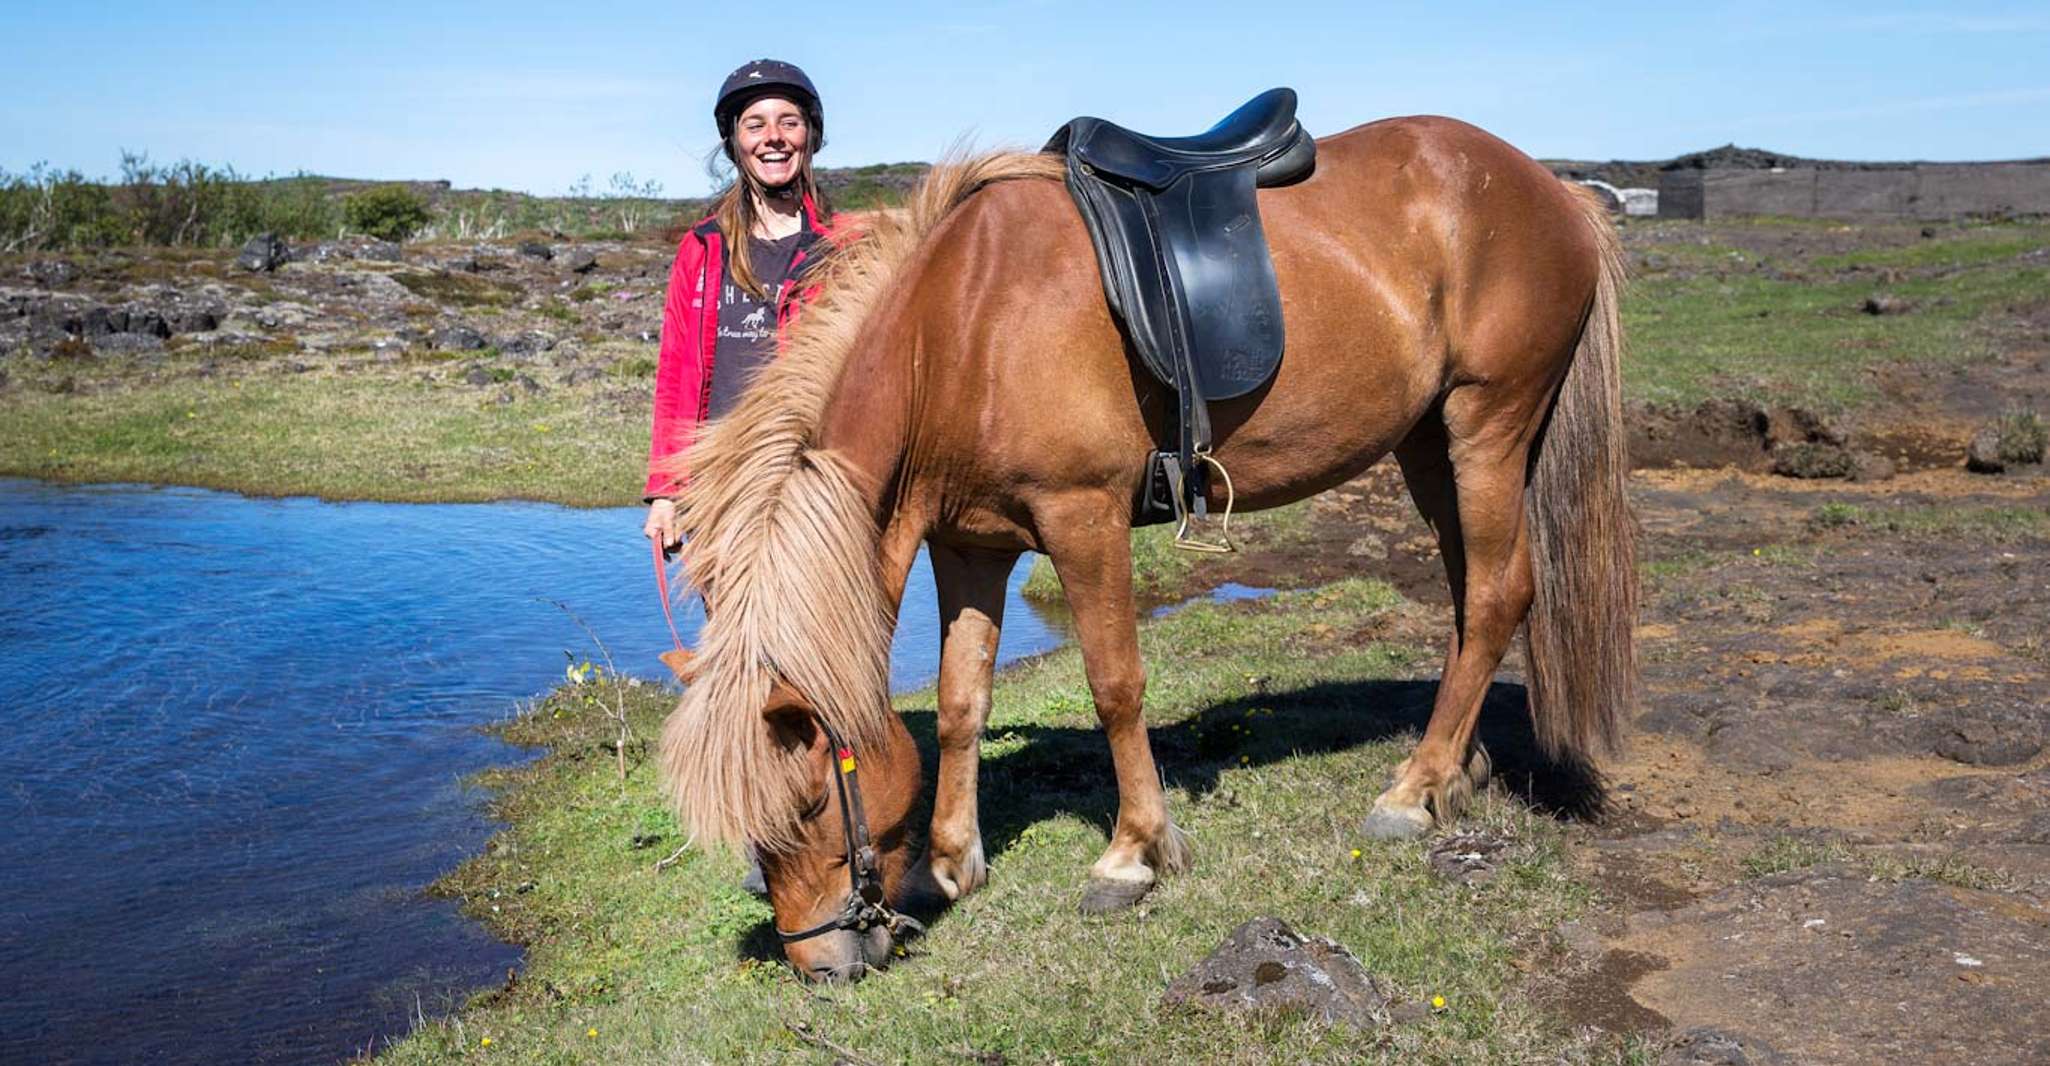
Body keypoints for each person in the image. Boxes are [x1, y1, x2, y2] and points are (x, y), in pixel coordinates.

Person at [642, 58, 839, 550]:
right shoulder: (702, 248)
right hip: (721, 481)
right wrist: (667, 492)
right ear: (735, 143)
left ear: (810, 137)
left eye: (788, 122)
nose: (773, 137)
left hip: (813, 486)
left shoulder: (844, 249)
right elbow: (676, 371)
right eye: (756, 125)